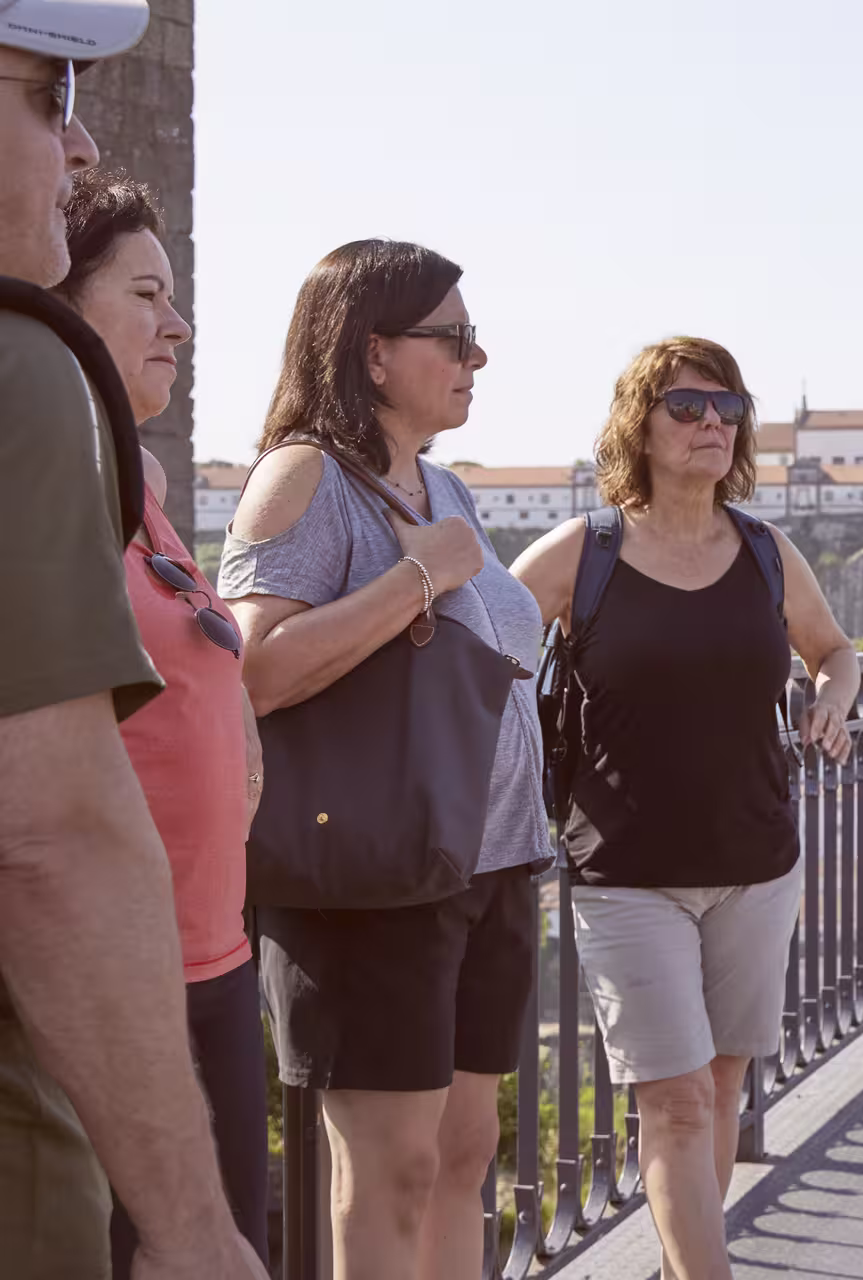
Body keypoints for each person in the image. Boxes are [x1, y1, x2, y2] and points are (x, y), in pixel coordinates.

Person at [0, 5, 269, 1278]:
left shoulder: (132, 466)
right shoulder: (23, 372)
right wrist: (193, 1228)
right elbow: (49, 830)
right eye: (50, 96)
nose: (81, 137)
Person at [220, 239, 547, 1278]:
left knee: (463, 1150)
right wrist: (414, 580)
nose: (476, 357)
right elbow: (252, 672)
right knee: (395, 1165)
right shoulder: (305, 477)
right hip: (372, 874)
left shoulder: (446, 487)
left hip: (486, 861)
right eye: (450, 337)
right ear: (371, 352)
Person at [512, 337, 859, 1280]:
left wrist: (830, 699)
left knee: (716, 1091)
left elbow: (835, 649)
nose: (713, 424)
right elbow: (478, 640)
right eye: (688, 407)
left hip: (756, 863)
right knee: (669, 1102)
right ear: (642, 424)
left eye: (728, 409)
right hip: (625, 873)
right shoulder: (586, 552)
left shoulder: (764, 550)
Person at [55, 167, 271, 1275]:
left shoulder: (137, 477)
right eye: (145, 294)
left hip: (214, 957)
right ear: (60, 292)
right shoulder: (53, 478)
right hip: (115, 984)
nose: (176, 323)